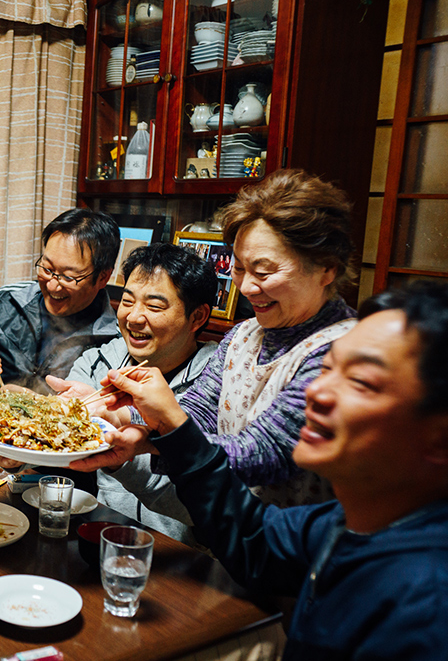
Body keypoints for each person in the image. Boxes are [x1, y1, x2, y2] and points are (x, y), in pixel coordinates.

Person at [98, 281, 448, 659]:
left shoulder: (426, 602)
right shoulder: (344, 523)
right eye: (326, 369)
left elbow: (258, 456)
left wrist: (168, 428)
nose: (317, 392)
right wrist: (165, 431)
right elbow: (253, 539)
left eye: (361, 382)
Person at [73, 169, 358, 520]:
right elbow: (198, 413)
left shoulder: (346, 351)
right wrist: (119, 416)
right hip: (230, 542)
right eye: (239, 268)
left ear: (327, 268)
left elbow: (265, 454)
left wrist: (152, 439)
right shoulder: (243, 335)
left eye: (264, 272)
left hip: (300, 555)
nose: (248, 287)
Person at [54, 243, 218, 542]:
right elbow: (57, 443)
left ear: (197, 317)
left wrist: (120, 456)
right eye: (127, 301)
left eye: (154, 307)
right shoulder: (97, 363)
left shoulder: (218, 386)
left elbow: (206, 505)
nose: (133, 317)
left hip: (181, 559)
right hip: (101, 536)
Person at [0, 208, 121, 394]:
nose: (53, 287)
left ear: (103, 277)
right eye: (47, 269)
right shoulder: (8, 300)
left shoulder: (113, 340)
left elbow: (105, 409)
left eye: (69, 277)